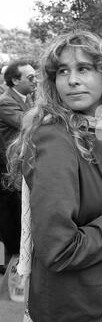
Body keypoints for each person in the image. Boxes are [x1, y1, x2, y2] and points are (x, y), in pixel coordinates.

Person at [6, 30, 102, 322]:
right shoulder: (54, 139)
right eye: (62, 71)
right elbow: (59, 248)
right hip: (74, 315)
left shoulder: (99, 128)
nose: (72, 80)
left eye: (84, 69)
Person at [0, 60, 37, 277]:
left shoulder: (27, 98)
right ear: (15, 80)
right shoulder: (5, 102)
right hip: (9, 173)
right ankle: (13, 269)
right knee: (12, 223)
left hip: (23, 169)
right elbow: (30, 123)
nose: (36, 81)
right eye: (30, 78)